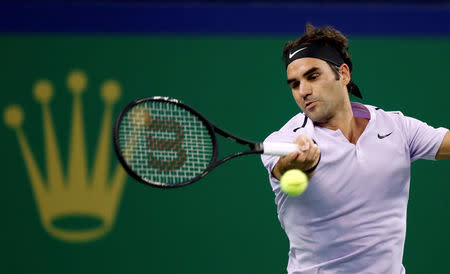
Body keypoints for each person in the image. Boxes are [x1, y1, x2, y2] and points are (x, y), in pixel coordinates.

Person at [261, 23, 450, 274]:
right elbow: (285, 168)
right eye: (294, 84)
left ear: (344, 74)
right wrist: (301, 161)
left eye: (313, 76)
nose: (303, 91)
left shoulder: (395, 127)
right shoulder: (285, 140)